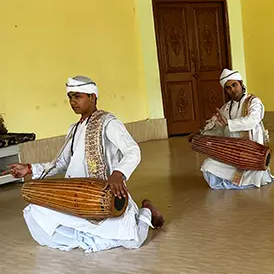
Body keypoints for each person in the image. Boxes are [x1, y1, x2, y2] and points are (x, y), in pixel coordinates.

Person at [2, 76, 164, 253]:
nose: (72, 102)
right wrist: (30, 168)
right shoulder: (74, 129)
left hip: (104, 197)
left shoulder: (108, 122)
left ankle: (146, 210)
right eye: (70, 97)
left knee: (134, 242)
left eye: (77, 96)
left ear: (92, 97)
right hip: (75, 198)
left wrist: (119, 173)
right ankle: (91, 237)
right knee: (35, 214)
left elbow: (133, 150)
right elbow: (61, 162)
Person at [199, 69, 274, 190]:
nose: (232, 90)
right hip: (233, 157)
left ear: (241, 83)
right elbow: (218, 130)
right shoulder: (226, 108)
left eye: (234, 85)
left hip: (253, 156)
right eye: (228, 88)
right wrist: (203, 133)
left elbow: (252, 121)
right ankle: (233, 181)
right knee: (207, 166)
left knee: (256, 175)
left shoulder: (253, 102)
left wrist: (229, 123)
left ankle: (241, 181)